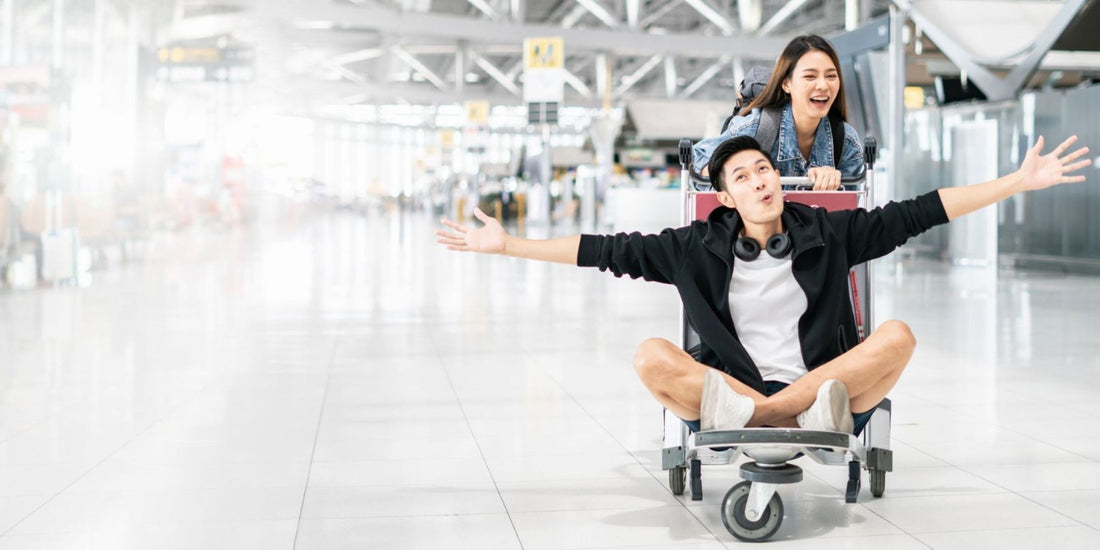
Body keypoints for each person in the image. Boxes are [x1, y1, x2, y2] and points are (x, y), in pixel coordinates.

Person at [435, 135, 1090, 435]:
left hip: (818, 382)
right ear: (724, 197)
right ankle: (780, 414)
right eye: (742, 177)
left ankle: (772, 415)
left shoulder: (832, 234)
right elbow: (597, 249)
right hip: (738, 389)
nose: (759, 181)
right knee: (650, 355)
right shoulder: (690, 248)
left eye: (763, 170)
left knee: (897, 334)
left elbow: (925, 209)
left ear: (780, 179)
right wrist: (508, 245)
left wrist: (1015, 183)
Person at [694, 35, 864, 191]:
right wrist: (743, 174)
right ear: (786, 84)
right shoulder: (758, 128)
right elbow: (697, 160)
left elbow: (850, 214)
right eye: (810, 77)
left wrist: (834, 188)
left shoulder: (845, 141)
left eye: (831, 76)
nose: (823, 85)